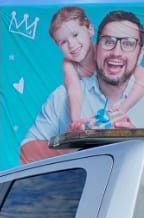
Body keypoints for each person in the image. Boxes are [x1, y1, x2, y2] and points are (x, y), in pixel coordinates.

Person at [22, 9, 144, 163]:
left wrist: (137, 145)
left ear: (140, 54)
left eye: (128, 43)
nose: (116, 52)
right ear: (97, 45)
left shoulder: (139, 79)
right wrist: (71, 141)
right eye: (109, 42)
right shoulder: (61, 97)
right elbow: (26, 152)